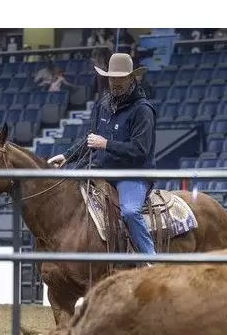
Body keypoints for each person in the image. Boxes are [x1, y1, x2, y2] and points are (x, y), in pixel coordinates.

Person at [48, 52, 157, 264]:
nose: (115, 83)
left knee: (130, 212)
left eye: (120, 78)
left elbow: (140, 150)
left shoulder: (143, 110)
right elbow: (91, 139)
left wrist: (105, 144)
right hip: (102, 170)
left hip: (132, 175)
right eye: (111, 78)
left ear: (131, 78)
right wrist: (66, 156)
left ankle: (151, 260)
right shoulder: (104, 104)